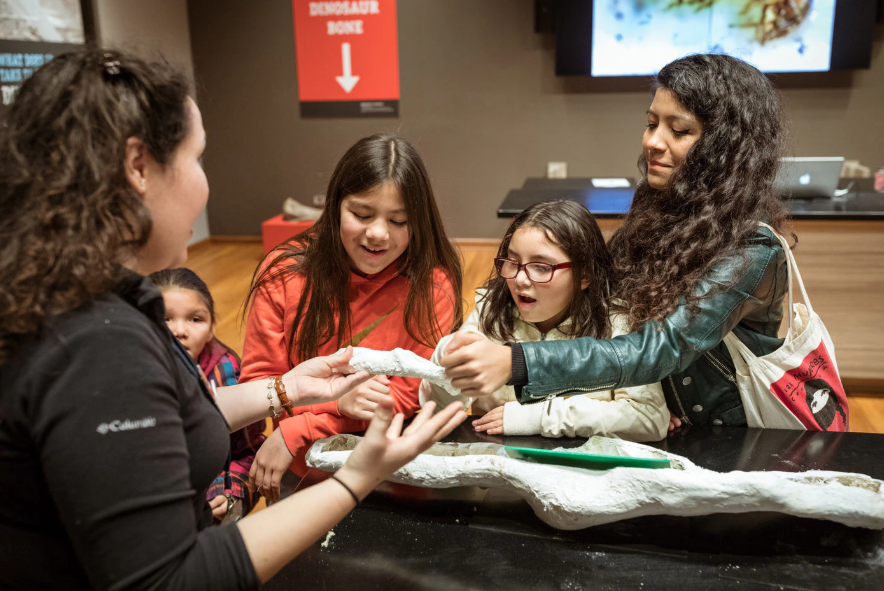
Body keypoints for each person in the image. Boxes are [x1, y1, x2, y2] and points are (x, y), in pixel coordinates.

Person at [0, 48, 465, 590]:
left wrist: (287, 392)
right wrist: (355, 479)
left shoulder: (83, 306)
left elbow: (165, 417)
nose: (205, 185)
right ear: (138, 166)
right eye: (198, 158)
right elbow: (170, 577)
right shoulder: (97, 346)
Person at [443, 53, 794, 430]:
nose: (653, 142)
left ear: (724, 148)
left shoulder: (752, 251)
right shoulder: (659, 212)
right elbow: (609, 302)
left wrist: (518, 362)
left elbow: (659, 350)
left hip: (729, 438)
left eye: (678, 131)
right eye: (651, 124)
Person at [241, 133, 463, 499]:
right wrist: (338, 405)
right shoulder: (284, 272)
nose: (377, 234)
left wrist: (302, 426)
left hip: (393, 469)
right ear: (334, 207)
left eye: (399, 221)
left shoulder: (432, 282)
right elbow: (260, 383)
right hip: (305, 466)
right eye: (361, 215)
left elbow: (414, 390)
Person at [423, 200, 668, 442]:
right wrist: (445, 365)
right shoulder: (490, 310)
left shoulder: (617, 321)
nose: (520, 280)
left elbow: (650, 417)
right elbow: (437, 412)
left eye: (541, 267)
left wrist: (539, 417)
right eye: (513, 262)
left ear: (584, 275)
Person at [151, 267, 267, 522]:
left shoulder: (226, 374)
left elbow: (249, 450)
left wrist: (230, 494)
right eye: (164, 318)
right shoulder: (123, 377)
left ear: (212, 327)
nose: (179, 331)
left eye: (195, 319)